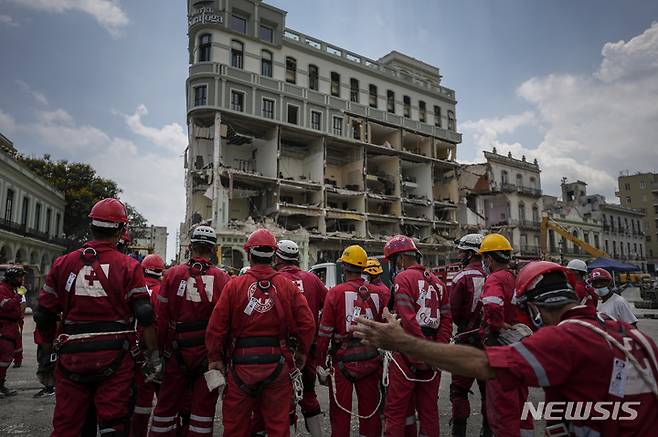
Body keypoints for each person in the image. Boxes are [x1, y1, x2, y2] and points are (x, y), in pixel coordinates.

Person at [354, 261, 658, 437]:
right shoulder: (637, 338)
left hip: (449, 347)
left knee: (451, 398)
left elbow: (484, 363)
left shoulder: (563, 341)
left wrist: (402, 342)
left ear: (535, 305)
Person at [34, 198, 161, 437]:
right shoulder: (129, 266)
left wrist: (47, 357)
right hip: (115, 357)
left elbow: (44, 313)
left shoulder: (64, 263)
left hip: (72, 356)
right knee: (114, 422)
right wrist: (154, 356)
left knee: (67, 425)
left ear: (91, 226)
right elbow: (144, 314)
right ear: (122, 230)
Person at [206, 228, 316, 437]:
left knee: (235, 428)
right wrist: (302, 353)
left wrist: (215, 358)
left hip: (241, 366)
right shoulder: (287, 286)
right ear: (274, 255)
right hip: (277, 364)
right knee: (277, 427)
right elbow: (307, 324)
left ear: (248, 254)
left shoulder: (234, 285)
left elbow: (216, 327)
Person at [148, 226, 230, 437]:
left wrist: (159, 352)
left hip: (175, 352)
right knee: (203, 412)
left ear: (191, 246)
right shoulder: (222, 278)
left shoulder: (173, 274)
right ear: (213, 249)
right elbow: (226, 323)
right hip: (208, 356)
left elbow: (162, 318)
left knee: (165, 408)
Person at [382, 235, 452, 437]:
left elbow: (407, 317)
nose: (394, 266)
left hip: (408, 350)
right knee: (429, 411)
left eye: (394, 262)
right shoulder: (438, 282)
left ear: (401, 259)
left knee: (395, 411)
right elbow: (447, 319)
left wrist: (419, 347)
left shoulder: (403, 278)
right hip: (432, 352)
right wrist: (436, 350)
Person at [316, 245, 388, 437]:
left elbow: (324, 333)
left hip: (342, 362)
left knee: (340, 415)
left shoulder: (335, 293)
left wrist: (319, 362)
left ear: (345, 268)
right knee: (370, 414)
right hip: (371, 360)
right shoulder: (380, 293)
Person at [479, 233, 533, 437]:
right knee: (521, 404)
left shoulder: (495, 278)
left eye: (484, 258)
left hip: (500, 349)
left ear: (489, 259)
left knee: (504, 408)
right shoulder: (514, 277)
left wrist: (497, 324)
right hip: (521, 347)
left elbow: (492, 305)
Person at [274, 239, 327, 436]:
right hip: (308, 349)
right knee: (309, 395)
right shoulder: (312, 279)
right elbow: (328, 307)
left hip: (280, 351)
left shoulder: (274, 279)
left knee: (282, 400)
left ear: (277, 257)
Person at [449, 234, 489, 437]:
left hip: (466, 342)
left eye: (462, 252)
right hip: (489, 343)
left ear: (471, 253)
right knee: (488, 393)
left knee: (458, 391)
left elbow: (454, 312)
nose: (459, 255)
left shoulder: (460, 277)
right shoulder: (493, 277)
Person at [130, 254, 165, 437]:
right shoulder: (162, 292)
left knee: (139, 400)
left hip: (131, 352)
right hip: (155, 352)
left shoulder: (133, 288)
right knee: (164, 399)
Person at [0, 265, 25, 398]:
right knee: (4, 359)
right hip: (3, 329)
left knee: (6, 359)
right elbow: (6, 306)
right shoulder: (2, 289)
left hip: (10, 328)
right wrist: (18, 296)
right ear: (11, 278)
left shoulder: (11, 289)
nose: (21, 280)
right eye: (19, 277)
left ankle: (1, 385)